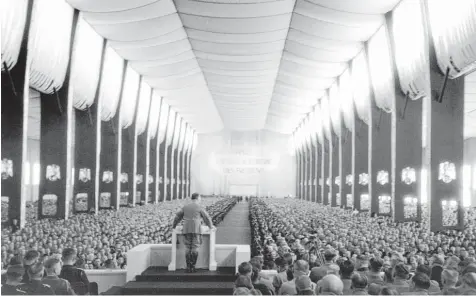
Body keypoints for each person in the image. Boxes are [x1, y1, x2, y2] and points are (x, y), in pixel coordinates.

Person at [172, 192, 216, 273]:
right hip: (196, 229)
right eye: (200, 199)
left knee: (188, 248)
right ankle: (193, 266)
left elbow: (177, 217)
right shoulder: (199, 207)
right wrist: (211, 226)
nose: (200, 200)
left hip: (186, 229)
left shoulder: (185, 207)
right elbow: (206, 218)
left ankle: (188, 267)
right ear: (198, 198)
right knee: (195, 248)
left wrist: (174, 226)